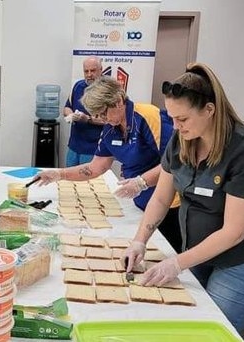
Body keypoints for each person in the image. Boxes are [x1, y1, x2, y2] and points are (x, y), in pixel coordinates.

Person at [123, 63, 244, 331]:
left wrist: (175, 263)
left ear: (209, 110)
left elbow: (234, 232)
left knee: (204, 330)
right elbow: (162, 199)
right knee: (181, 321)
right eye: (172, 118)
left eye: (183, 119)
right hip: (202, 251)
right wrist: (139, 241)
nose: (175, 127)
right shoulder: (182, 140)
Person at [35, 76, 182, 252]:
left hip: (169, 205)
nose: (102, 119)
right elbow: (96, 167)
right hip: (142, 202)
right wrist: (59, 174)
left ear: (118, 101)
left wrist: (141, 182)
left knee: (168, 254)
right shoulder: (110, 129)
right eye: (97, 115)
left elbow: (176, 160)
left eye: (104, 113)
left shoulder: (147, 116)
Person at [63, 56, 105, 167]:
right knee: (69, 180)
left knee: (89, 182)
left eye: (93, 71)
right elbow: (67, 107)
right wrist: (71, 115)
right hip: (74, 147)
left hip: (94, 149)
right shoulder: (78, 86)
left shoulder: (107, 91)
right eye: (86, 71)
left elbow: (109, 120)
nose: (89, 74)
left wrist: (87, 119)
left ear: (101, 70)